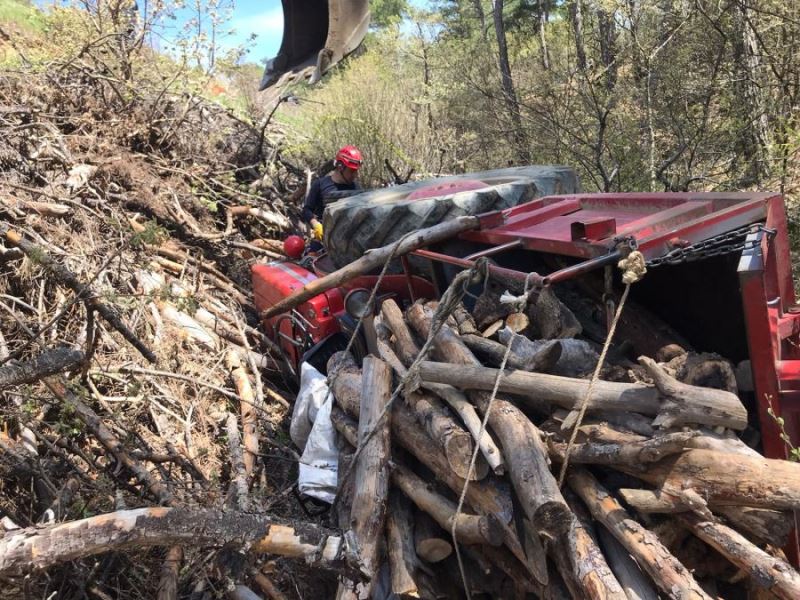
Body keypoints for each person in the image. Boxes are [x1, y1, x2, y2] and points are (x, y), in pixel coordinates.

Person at [302, 146, 363, 241]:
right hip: (324, 239)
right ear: (340, 167)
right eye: (352, 171)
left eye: (356, 171)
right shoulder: (320, 184)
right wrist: (315, 224)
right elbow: (306, 210)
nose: (355, 175)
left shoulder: (356, 188)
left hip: (349, 240)